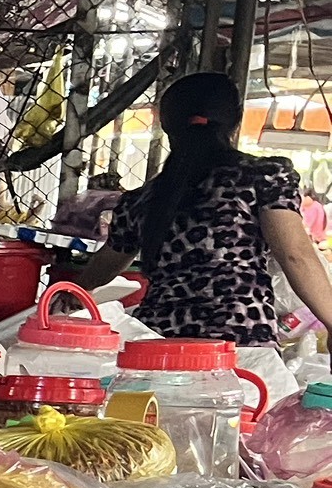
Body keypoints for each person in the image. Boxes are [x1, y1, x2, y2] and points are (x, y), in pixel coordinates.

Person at [85, 71, 332, 344]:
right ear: (235, 123)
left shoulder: (140, 200)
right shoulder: (263, 176)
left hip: (157, 341)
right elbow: (296, 256)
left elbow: (105, 266)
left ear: (166, 125)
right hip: (237, 341)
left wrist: (69, 293)